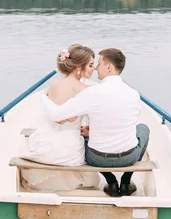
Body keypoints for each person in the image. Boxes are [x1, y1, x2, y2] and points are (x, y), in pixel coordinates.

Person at [41, 48, 150, 197]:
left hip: (97, 159)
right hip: (128, 157)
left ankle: (111, 181)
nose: (96, 68)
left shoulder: (91, 93)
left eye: (99, 63)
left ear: (109, 67)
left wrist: (43, 98)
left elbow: (56, 114)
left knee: (81, 137)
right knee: (143, 128)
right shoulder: (134, 94)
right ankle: (126, 180)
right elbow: (125, 124)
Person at [20, 44, 99, 192]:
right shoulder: (85, 90)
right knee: (93, 179)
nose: (93, 69)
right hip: (68, 146)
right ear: (78, 67)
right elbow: (72, 118)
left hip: (44, 139)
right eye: (90, 65)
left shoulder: (54, 83)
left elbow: (59, 117)